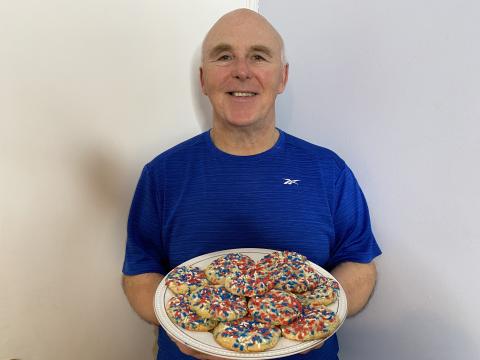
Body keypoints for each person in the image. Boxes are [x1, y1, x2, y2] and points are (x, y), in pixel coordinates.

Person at [122, 8, 381, 360]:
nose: (241, 71)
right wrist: (179, 326)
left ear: (282, 77)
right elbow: (140, 274)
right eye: (224, 56)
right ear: (203, 78)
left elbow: (359, 264)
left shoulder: (327, 171)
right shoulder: (163, 174)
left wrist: (324, 316)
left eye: (258, 56)